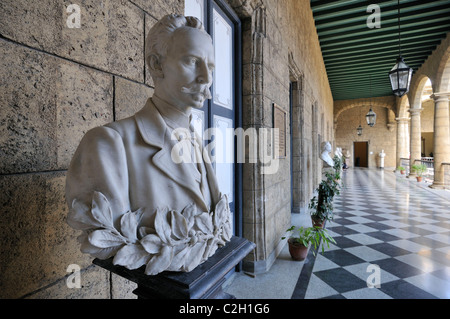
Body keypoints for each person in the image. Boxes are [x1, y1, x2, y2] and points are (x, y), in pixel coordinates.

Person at [65, 14, 232, 275]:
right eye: (192, 61)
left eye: (210, 66)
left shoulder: (196, 139)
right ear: (156, 65)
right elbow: (108, 236)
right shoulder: (108, 143)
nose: (205, 78)